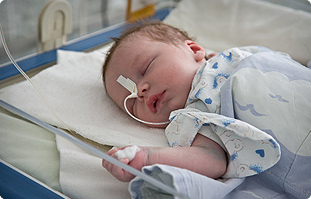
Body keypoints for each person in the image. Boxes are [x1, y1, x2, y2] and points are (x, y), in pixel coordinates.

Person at [101, 21, 280, 182]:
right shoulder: (189, 120)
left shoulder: (231, 58)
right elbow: (212, 159)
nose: (139, 92)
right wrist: (146, 158)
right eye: (131, 103)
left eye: (146, 68)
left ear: (193, 50)